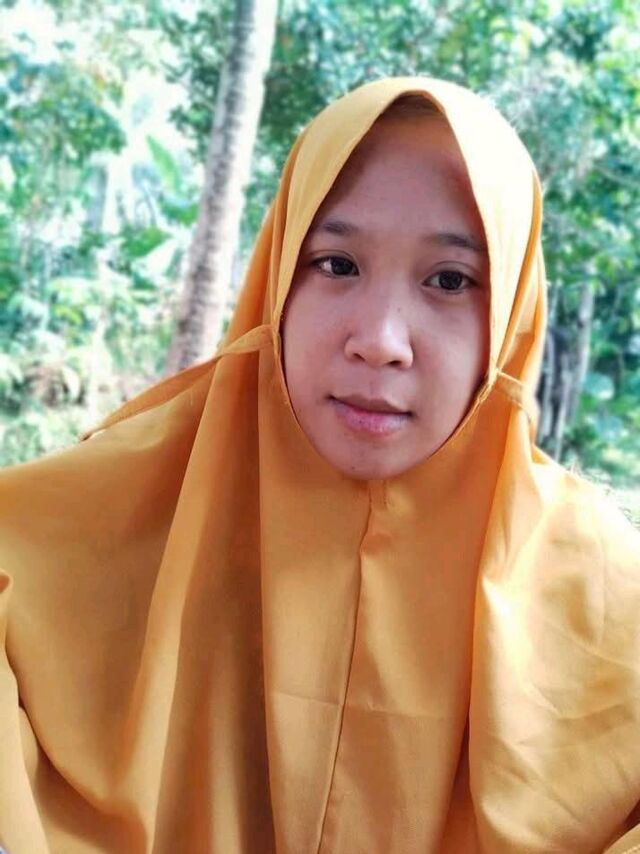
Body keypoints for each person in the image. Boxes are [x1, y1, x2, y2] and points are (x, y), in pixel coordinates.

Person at [0, 76, 638, 854]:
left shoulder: (604, 596)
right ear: (279, 277)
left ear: (508, 316)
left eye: (449, 280)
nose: (379, 340)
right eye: (336, 264)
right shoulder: (111, 508)